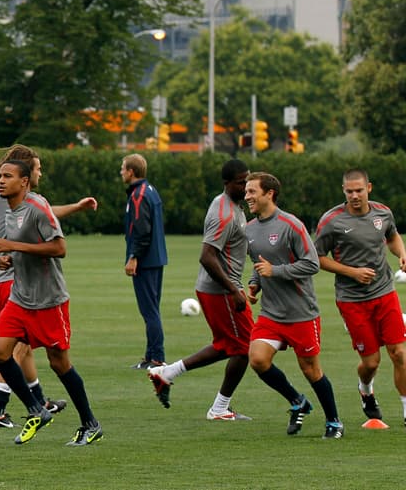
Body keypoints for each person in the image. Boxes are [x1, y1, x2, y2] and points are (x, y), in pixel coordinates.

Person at [0, 159, 102, 447]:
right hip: (20, 296)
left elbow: (59, 248)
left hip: (50, 301)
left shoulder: (37, 207)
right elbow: (11, 247)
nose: (0, 180)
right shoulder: (6, 207)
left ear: (24, 182)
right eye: (0, 175)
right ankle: (36, 409)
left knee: (59, 363)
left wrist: (14, 247)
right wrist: (4, 257)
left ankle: (91, 424)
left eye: (7, 176)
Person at [147, 159, 254, 421]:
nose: (246, 186)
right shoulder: (224, 213)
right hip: (221, 291)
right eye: (241, 182)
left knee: (227, 345)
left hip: (220, 289)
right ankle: (219, 409)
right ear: (227, 183)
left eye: (248, 180)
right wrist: (233, 290)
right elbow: (207, 256)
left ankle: (167, 373)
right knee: (245, 348)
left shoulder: (234, 206)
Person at [242, 172, 343, 439]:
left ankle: (334, 422)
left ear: (269, 194)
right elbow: (259, 265)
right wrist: (254, 284)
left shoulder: (291, 225)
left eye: (252, 191)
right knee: (258, 360)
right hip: (271, 313)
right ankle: (298, 401)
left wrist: (274, 271)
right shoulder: (249, 229)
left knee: (311, 370)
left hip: (301, 313)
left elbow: (311, 264)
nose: (247, 197)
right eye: (246, 191)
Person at [313, 168, 406, 426]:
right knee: (371, 362)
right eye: (349, 191)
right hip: (352, 300)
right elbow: (317, 258)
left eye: (359, 190)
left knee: (399, 353)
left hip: (385, 292)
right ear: (344, 191)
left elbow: (392, 236)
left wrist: (402, 253)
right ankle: (366, 390)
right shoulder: (331, 221)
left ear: (369, 188)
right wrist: (352, 272)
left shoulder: (382, 212)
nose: (354, 195)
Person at [121, 153, 167, 370]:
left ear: (131, 171)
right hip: (156, 259)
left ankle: (157, 357)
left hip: (146, 261)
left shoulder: (138, 196)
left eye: (123, 168)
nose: (121, 172)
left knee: (149, 311)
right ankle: (151, 355)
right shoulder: (150, 190)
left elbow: (142, 231)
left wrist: (133, 257)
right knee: (152, 309)